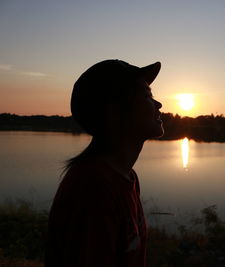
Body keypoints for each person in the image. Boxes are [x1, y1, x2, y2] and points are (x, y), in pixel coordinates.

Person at [45, 59, 164, 267]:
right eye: (147, 96)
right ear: (115, 111)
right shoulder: (92, 187)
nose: (158, 104)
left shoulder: (126, 177)